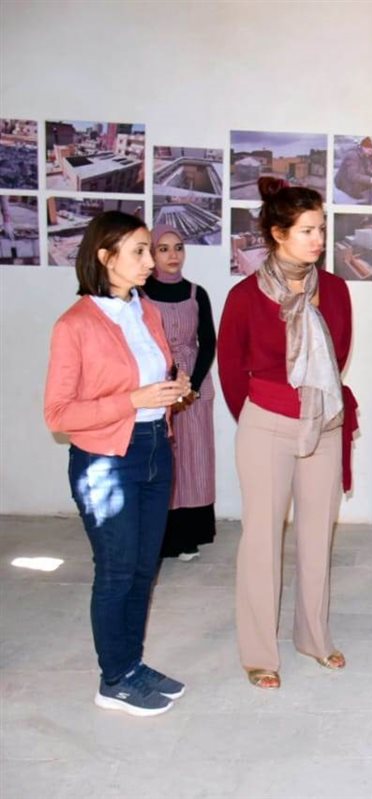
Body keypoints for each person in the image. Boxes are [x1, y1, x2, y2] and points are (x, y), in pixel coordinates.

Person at [44, 210, 192, 717]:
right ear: (105, 257)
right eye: (140, 251)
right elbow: (58, 414)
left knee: (144, 569)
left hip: (154, 448)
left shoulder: (145, 310)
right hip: (105, 460)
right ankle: (113, 678)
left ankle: (131, 664)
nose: (151, 261)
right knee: (116, 570)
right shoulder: (74, 325)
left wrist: (174, 388)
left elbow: (154, 375)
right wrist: (134, 400)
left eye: (150, 250)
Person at [217, 176, 359, 690]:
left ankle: (313, 638)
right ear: (278, 234)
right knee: (261, 540)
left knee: (317, 536)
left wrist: (310, 409)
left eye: (321, 229)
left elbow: (338, 355)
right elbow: (230, 370)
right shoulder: (244, 296)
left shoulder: (336, 290)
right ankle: (260, 653)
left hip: (323, 424)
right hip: (266, 425)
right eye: (307, 230)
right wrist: (267, 413)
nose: (319, 239)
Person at [142, 225, 217, 561]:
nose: (173, 255)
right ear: (151, 253)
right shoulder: (139, 294)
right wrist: (170, 382)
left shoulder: (197, 293)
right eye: (163, 249)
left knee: (194, 459)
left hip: (195, 387)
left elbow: (208, 342)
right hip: (157, 384)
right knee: (162, 458)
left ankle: (190, 536)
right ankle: (160, 539)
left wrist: (193, 387)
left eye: (178, 247)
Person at [333, 136, 372, 204]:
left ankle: (367, 200)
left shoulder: (364, 155)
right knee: (370, 185)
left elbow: (365, 169)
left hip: (351, 179)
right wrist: (370, 179)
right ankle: (365, 202)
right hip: (343, 183)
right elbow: (352, 176)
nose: (370, 153)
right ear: (363, 147)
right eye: (370, 151)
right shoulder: (353, 156)